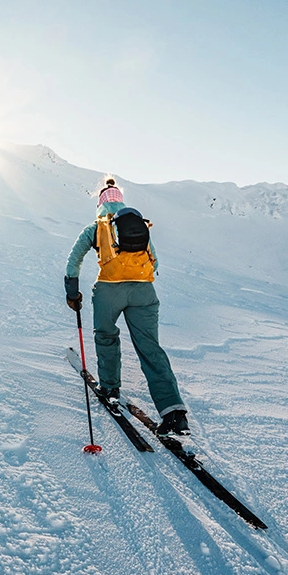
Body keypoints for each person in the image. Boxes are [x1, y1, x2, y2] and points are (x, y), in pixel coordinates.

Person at [64, 176, 190, 435]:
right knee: (150, 348)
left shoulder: (97, 227)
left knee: (107, 337)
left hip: (109, 290)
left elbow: (73, 260)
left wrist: (72, 292)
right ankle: (174, 412)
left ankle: (110, 388)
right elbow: (154, 261)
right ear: (120, 202)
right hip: (144, 291)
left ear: (100, 204)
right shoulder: (138, 225)